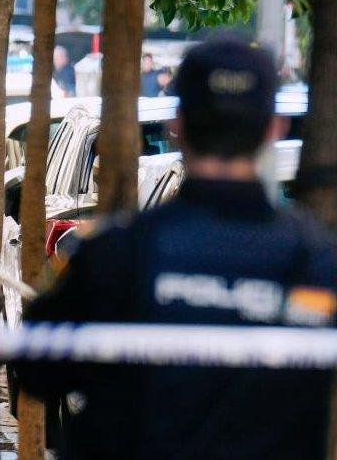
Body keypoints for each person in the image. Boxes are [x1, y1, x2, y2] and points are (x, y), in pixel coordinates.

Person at [17, 37, 337, 458]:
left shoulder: (112, 253)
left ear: (178, 123)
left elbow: (37, 370)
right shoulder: (319, 264)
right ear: (274, 127)